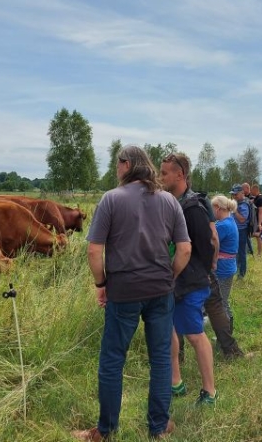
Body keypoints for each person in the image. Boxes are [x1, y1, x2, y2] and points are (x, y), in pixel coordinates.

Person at [74, 145, 189, 441]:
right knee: (161, 358)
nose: (116, 168)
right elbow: (185, 249)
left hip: (123, 291)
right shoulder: (169, 201)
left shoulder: (112, 199)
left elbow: (94, 249)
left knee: (113, 358)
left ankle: (106, 430)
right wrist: (170, 276)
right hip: (160, 289)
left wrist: (101, 284)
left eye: (117, 163)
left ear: (126, 165)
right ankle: (159, 426)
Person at [160, 153, 217, 405]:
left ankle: (210, 392)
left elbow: (209, 243)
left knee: (194, 334)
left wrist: (199, 271)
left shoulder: (192, 207)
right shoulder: (172, 203)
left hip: (189, 282)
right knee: (170, 329)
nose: (160, 178)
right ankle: (176, 382)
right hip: (174, 281)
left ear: (180, 175)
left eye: (164, 173)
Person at [212, 195, 239, 331]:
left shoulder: (222, 225)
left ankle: (226, 333)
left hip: (222, 268)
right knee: (222, 300)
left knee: (221, 302)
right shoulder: (230, 221)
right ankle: (226, 331)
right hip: (228, 266)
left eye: (212, 207)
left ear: (218, 208)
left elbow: (211, 243)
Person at [230, 184, 252, 279]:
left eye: (236, 194)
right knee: (235, 251)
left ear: (242, 193)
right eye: (233, 194)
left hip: (241, 231)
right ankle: (236, 269)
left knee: (242, 252)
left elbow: (242, 219)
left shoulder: (244, 205)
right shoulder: (237, 203)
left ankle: (242, 273)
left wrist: (235, 211)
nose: (234, 196)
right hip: (235, 229)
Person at [251, 184, 262, 257]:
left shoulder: (261, 199)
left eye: (252, 190)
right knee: (255, 235)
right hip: (256, 220)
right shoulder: (256, 198)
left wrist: (259, 224)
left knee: (258, 237)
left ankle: (259, 254)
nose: (251, 192)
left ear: (255, 190)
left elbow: (261, 212)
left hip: (260, 220)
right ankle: (261, 235)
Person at [242, 182, 254, 255]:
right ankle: (249, 250)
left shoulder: (252, 197)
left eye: (242, 189)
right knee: (247, 237)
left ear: (247, 188)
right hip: (246, 221)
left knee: (248, 236)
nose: (242, 191)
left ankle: (249, 250)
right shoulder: (245, 197)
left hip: (249, 220)